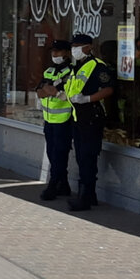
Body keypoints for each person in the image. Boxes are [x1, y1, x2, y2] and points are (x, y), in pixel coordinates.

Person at [63, 33, 114, 211]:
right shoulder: (78, 66)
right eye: (73, 46)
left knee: (87, 158)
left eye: (78, 46)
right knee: (81, 157)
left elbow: (108, 89)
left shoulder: (97, 66)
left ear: (88, 47)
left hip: (91, 117)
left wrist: (87, 98)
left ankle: (84, 197)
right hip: (78, 118)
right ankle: (89, 195)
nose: (74, 49)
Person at [36, 39, 73, 200]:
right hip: (49, 119)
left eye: (58, 51)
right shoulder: (49, 71)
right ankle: (63, 185)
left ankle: (53, 184)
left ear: (66, 53)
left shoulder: (71, 71)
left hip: (64, 120)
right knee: (52, 152)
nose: (54, 54)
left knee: (59, 154)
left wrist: (51, 90)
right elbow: (40, 91)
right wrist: (51, 90)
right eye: (53, 51)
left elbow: (61, 92)